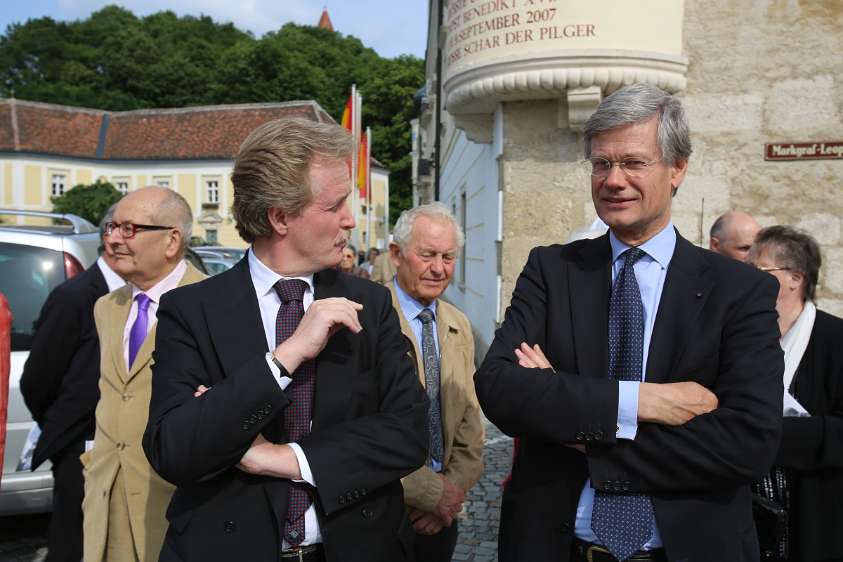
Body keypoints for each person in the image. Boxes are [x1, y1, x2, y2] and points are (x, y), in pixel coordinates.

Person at [474, 84, 784, 562]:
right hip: (557, 547)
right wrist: (642, 400)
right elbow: (499, 387)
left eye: (634, 163)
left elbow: (747, 444)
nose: (614, 180)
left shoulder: (739, 291)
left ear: (678, 168)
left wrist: (576, 422)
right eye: (601, 163)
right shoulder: (553, 271)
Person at [142, 117, 428, 562]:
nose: (350, 220)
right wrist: (284, 359)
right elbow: (174, 450)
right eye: (334, 207)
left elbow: (409, 433)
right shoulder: (192, 309)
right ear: (279, 217)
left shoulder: (369, 304)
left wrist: (277, 457)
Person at [81, 186, 205, 562]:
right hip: (106, 506)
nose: (114, 238)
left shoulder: (211, 303)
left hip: (175, 509)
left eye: (129, 229)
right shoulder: (107, 307)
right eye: (111, 227)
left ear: (172, 240)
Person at [20, 207, 124, 562]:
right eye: (114, 228)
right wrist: (66, 431)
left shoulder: (143, 294)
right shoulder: (75, 296)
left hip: (129, 448)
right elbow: (38, 378)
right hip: (80, 445)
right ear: (105, 237)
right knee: (75, 544)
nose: (120, 238)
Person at [387, 203, 484, 562]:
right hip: (384, 508)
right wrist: (427, 494)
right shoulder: (369, 318)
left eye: (448, 256)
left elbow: (470, 425)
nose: (439, 268)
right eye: (427, 255)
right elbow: (358, 427)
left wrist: (449, 492)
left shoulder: (458, 323)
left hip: (442, 516)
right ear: (396, 254)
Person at [746, 226, 843, 562]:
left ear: (794, 278)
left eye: (756, 270)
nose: (745, 278)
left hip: (817, 516)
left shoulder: (836, 340)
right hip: (745, 518)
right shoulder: (740, 337)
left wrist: (761, 433)